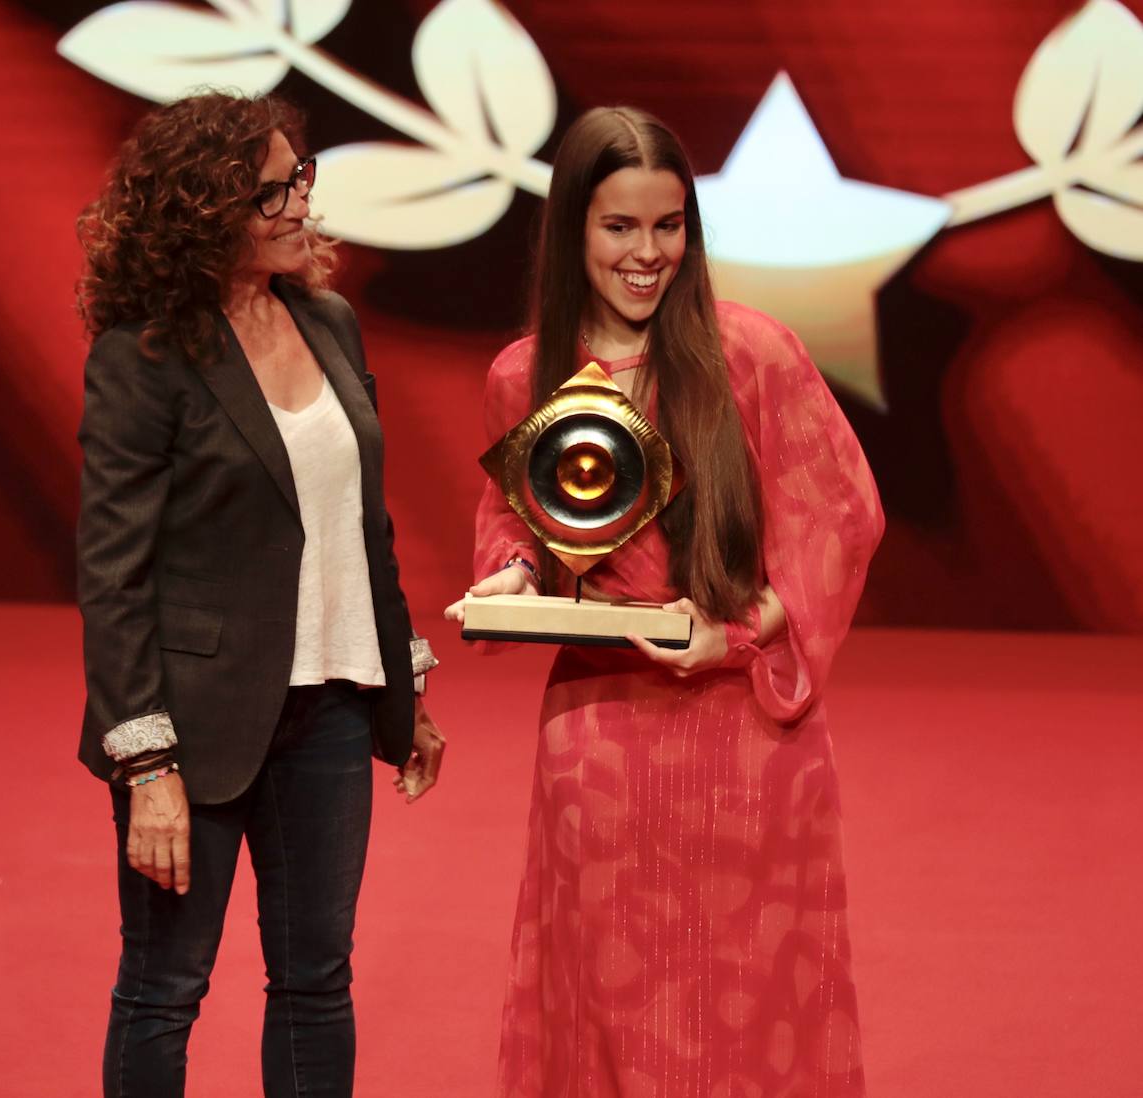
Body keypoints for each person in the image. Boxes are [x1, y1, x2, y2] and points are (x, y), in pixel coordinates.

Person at [446, 106, 883, 1097]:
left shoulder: (754, 356)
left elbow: (839, 521)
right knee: (607, 1003)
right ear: (573, 232)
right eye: (620, 228)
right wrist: (511, 576)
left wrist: (735, 632)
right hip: (598, 743)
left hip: (747, 743)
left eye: (669, 225)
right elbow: (517, 524)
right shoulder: (528, 376)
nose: (648, 254)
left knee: (753, 1005)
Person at [75, 90, 445, 1098]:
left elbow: (361, 520)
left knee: (316, 981)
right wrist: (146, 762)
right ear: (201, 212)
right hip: (194, 729)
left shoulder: (327, 320)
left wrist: (402, 686)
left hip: (329, 709)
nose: (297, 206)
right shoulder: (143, 357)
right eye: (268, 192)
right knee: (165, 987)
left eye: (299, 179)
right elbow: (113, 575)